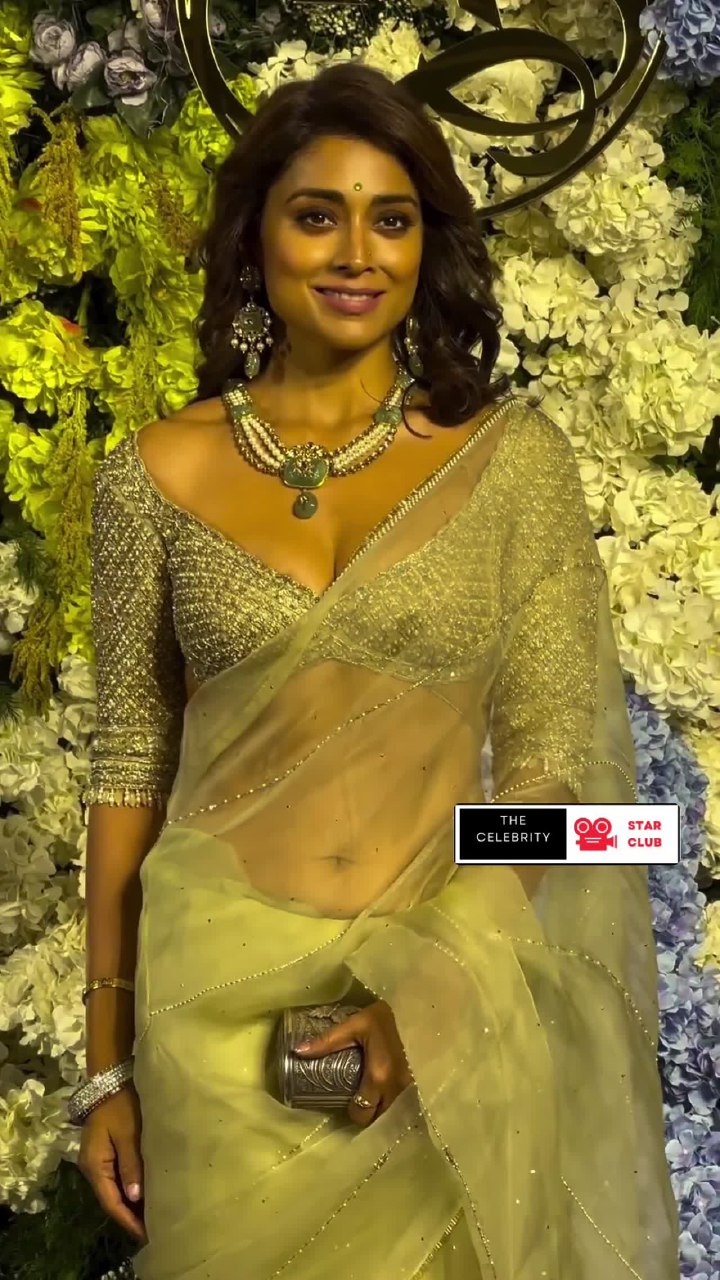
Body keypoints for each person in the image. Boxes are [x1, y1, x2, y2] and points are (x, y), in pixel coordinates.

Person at [75, 62, 680, 1280]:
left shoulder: (509, 463)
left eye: (391, 219)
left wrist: (441, 986)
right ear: (255, 239)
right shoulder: (152, 475)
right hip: (217, 1016)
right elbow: (129, 768)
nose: (358, 253)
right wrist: (107, 1067)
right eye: (318, 215)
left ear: (425, 246)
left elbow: (562, 778)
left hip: (442, 1004)